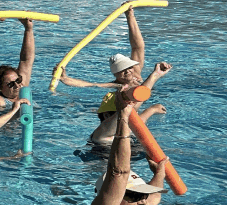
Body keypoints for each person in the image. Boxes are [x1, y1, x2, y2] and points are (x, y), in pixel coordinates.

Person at [57, 9, 172, 147]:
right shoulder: (116, 87)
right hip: (107, 140)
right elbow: (90, 85)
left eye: (128, 67)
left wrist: (130, 16)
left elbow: (138, 46)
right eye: (121, 70)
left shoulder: (137, 76)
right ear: (115, 75)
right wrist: (65, 79)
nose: (127, 72)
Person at [82, 97, 166, 205]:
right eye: (134, 195)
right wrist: (123, 118)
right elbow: (119, 173)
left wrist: (159, 173)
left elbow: (154, 197)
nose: (142, 201)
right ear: (115, 195)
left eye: (143, 195)